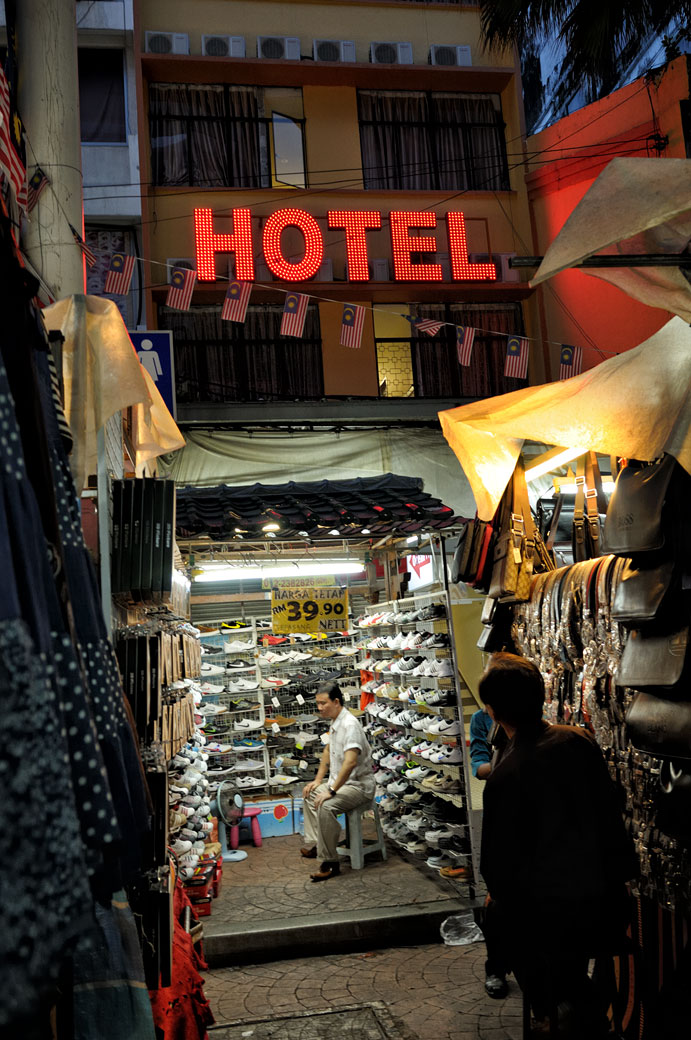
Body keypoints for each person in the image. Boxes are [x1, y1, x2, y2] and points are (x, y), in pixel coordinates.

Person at [478, 653, 637, 1038]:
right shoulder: (578, 740)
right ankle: (569, 1002)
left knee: (497, 915)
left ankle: (554, 1009)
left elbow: (496, 871)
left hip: (550, 917)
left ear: (493, 712)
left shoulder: (504, 776)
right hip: (604, 899)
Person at [301, 681, 375, 882]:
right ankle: (320, 845)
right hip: (342, 783)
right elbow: (327, 750)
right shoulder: (335, 721)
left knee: (326, 805)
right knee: (309, 795)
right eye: (317, 703)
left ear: (336, 701)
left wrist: (331, 790)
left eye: (323, 703)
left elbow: (350, 763)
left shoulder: (350, 725)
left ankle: (330, 863)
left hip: (358, 787)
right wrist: (318, 781)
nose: (319, 708)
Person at [469, 706, 510, 1000]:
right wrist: (504, 766)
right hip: (503, 808)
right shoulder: (482, 720)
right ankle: (496, 967)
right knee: (497, 898)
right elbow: (479, 764)